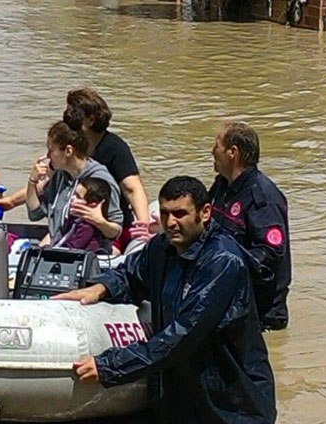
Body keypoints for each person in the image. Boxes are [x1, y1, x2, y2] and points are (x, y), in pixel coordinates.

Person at [55, 176, 276, 424]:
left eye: (180, 213)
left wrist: (110, 366)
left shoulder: (223, 262)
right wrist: (102, 288)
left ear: (204, 213)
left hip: (233, 404)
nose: (171, 222)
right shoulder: (161, 249)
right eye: (165, 213)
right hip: (184, 396)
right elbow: (130, 274)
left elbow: (182, 335)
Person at [0, 88, 153, 254]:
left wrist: (143, 227)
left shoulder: (113, 150)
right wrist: (12, 200)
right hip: (70, 226)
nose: (68, 118)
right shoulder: (64, 165)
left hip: (103, 228)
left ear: (91, 120)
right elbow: (46, 184)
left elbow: (132, 189)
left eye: (73, 113)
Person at [209, 121, 291, 331]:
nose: (212, 151)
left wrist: (221, 263)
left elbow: (269, 255)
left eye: (217, 145)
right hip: (228, 303)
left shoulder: (263, 198)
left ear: (232, 152)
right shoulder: (222, 186)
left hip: (258, 318)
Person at [26, 121, 123, 248]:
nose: (47, 156)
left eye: (51, 150)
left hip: (89, 257)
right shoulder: (60, 176)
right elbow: (35, 214)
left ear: (68, 151)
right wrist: (32, 182)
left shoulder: (101, 180)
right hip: (59, 249)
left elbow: (116, 231)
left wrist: (99, 221)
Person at [54, 177, 112, 251]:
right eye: (74, 194)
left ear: (92, 204)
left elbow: (74, 247)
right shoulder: (74, 218)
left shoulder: (88, 226)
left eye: (78, 197)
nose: (72, 198)